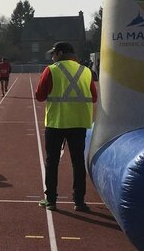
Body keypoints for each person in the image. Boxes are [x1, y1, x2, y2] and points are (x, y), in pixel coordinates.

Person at [34, 41, 97, 212]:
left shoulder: (52, 70)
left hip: (57, 122)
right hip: (79, 122)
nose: (52, 57)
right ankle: (79, 201)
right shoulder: (86, 71)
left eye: (53, 54)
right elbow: (94, 97)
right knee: (77, 162)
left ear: (60, 53)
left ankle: (51, 200)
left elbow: (40, 96)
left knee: (52, 162)